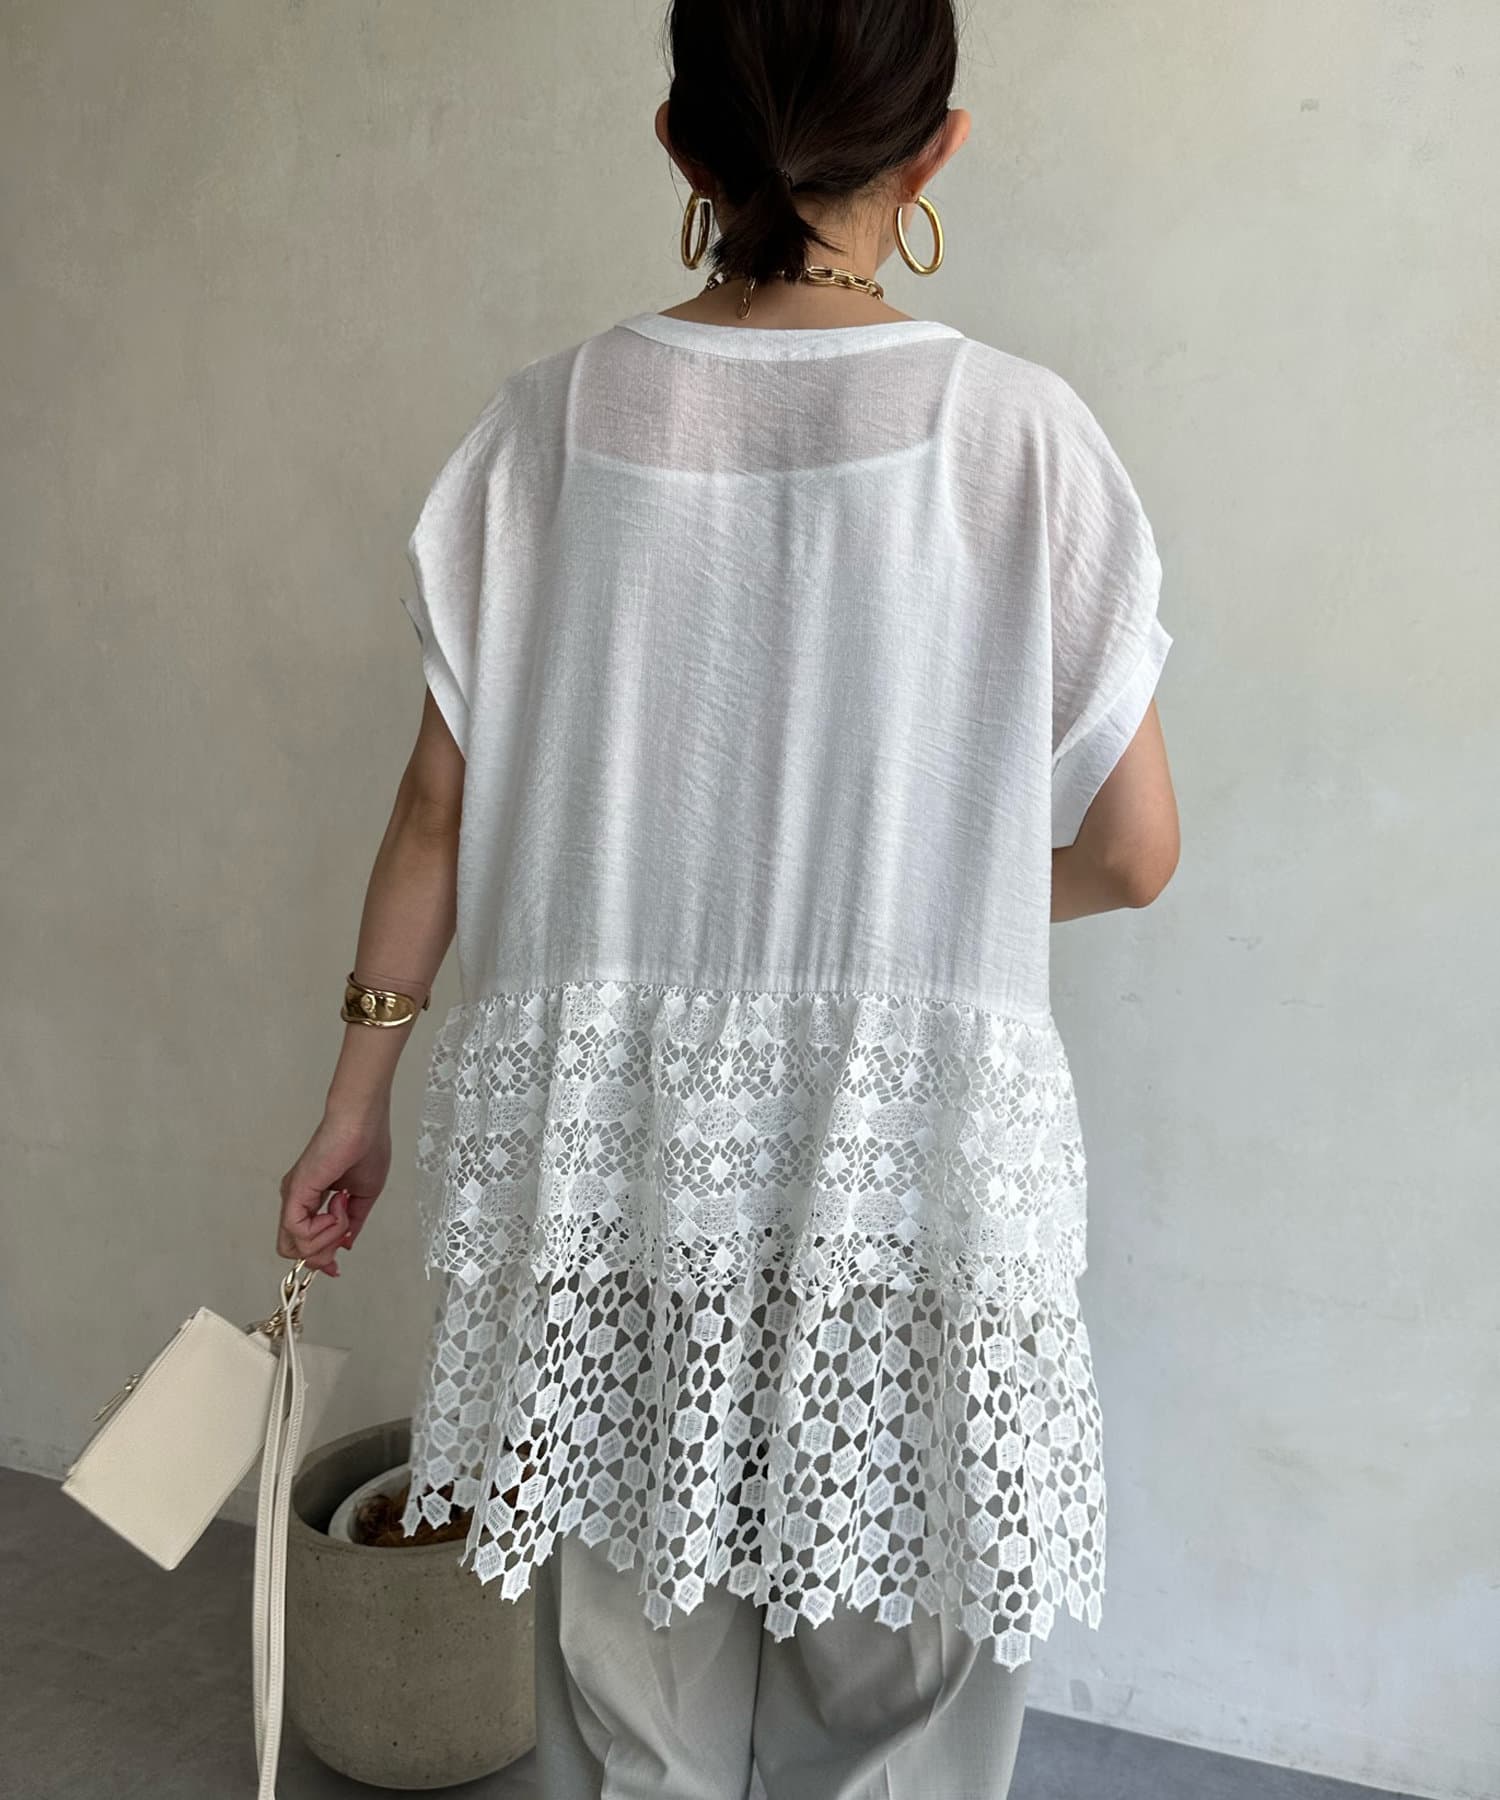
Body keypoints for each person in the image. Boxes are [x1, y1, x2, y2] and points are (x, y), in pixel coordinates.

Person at [277, 1, 1180, 1793]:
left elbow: (437, 812)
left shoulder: (545, 429)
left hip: (616, 1159)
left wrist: (354, 1104)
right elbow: (1135, 853)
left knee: (631, 1693)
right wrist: (926, 904)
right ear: (938, 146)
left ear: (683, 144)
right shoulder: (1022, 437)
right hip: (909, 1171)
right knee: (900, 1692)